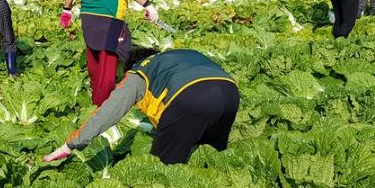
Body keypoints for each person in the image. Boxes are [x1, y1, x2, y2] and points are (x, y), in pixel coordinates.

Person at [43, 48, 239, 165]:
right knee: (212, 160)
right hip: (230, 94)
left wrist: (69, 146)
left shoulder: (140, 71)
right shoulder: (182, 55)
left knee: (162, 171)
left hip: (189, 98)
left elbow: (110, 111)